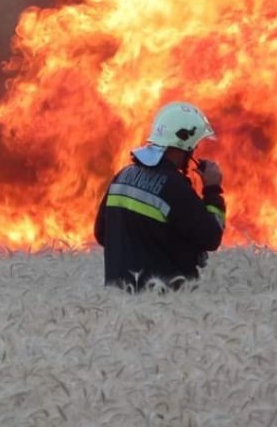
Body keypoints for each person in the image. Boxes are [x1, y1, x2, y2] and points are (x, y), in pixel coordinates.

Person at [94, 101, 226, 290]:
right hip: (164, 306)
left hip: (118, 308)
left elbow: (101, 234)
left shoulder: (122, 176)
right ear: (184, 146)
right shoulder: (174, 187)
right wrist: (213, 190)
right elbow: (211, 238)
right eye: (193, 147)